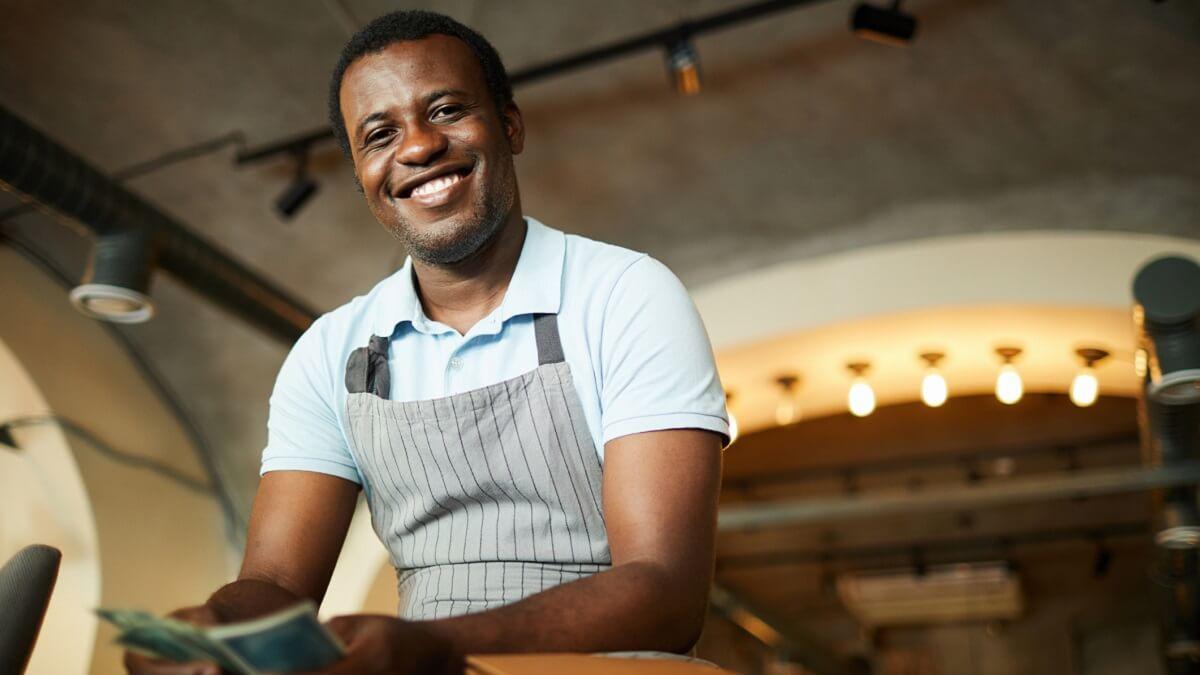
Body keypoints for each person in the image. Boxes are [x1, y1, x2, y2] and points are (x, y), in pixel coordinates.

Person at [127, 10, 728, 675]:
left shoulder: (626, 295)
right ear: (361, 175)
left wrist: (440, 644)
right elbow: (275, 581)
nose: (416, 148)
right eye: (379, 134)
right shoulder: (331, 351)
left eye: (444, 111)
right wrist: (215, 626)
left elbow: (668, 591)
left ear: (510, 125)